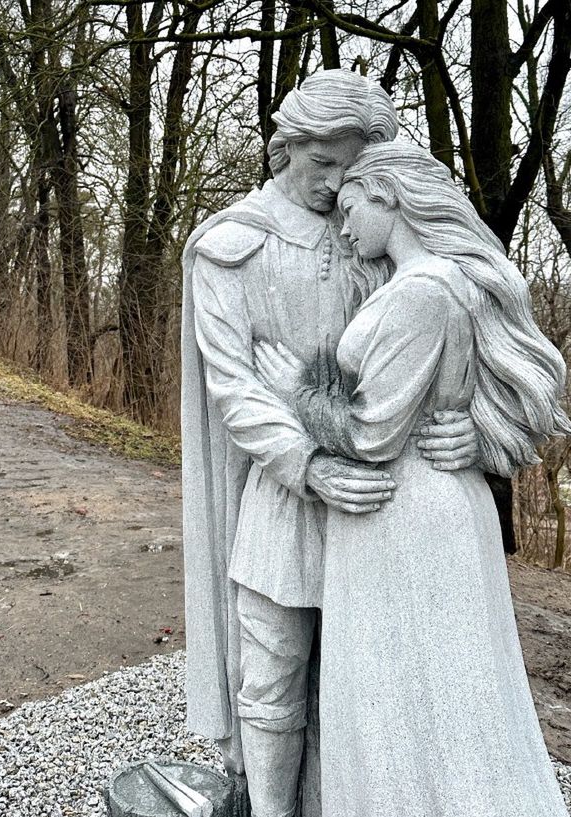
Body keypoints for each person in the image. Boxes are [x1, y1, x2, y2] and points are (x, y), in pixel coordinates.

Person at [180, 70, 479, 817]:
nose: (338, 185)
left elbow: (466, 328)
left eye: (352, 168)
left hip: (385, 504)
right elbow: (235, 387)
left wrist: (473, 422)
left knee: (374, 679)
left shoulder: (379, 232)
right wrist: (308, 465)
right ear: (289, 147)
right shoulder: (231, 246)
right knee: (273, 672)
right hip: (286, 497)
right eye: (325, 165)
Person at [254, 141, 570, 817]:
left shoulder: (419, 295)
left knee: (403, 694)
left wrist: (297, 389)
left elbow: (372, 435)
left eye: (349, 208)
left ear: (388, 197)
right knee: (438, 689)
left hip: (402, 515)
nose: (342, 227)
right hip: (432, 505)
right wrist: (482, 435)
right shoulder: (443, 285)